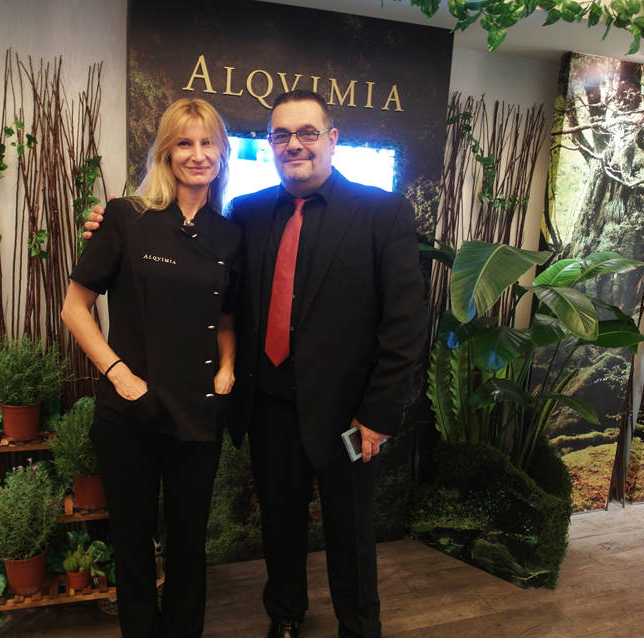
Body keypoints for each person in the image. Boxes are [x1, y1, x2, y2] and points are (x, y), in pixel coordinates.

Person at [86, 90, 425, 638]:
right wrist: (109, 221)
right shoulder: (248, 213)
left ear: (332, 139)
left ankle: (360, 627)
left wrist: (378, 415)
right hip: (269, 406)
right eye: (281, 135)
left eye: (308, 132)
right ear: (269, 145)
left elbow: (405, 324)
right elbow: (216, 292)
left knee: (351, 529)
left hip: (348, 416)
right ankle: (285, 616)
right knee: (280, 522)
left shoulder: (381, 212)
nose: (295, 145)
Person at [62, 98, 242, 638]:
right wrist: (119, 375)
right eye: (184, 142)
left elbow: (226, 316)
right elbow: (75, 307)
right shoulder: (126, 217)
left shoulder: (229, 235)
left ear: (222, 153)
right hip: (129, 414)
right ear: (165, 151)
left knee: (189, 543)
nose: (197, 154)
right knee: (132, 541)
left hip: (198, 412)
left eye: (208, 143)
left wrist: (227, 369)